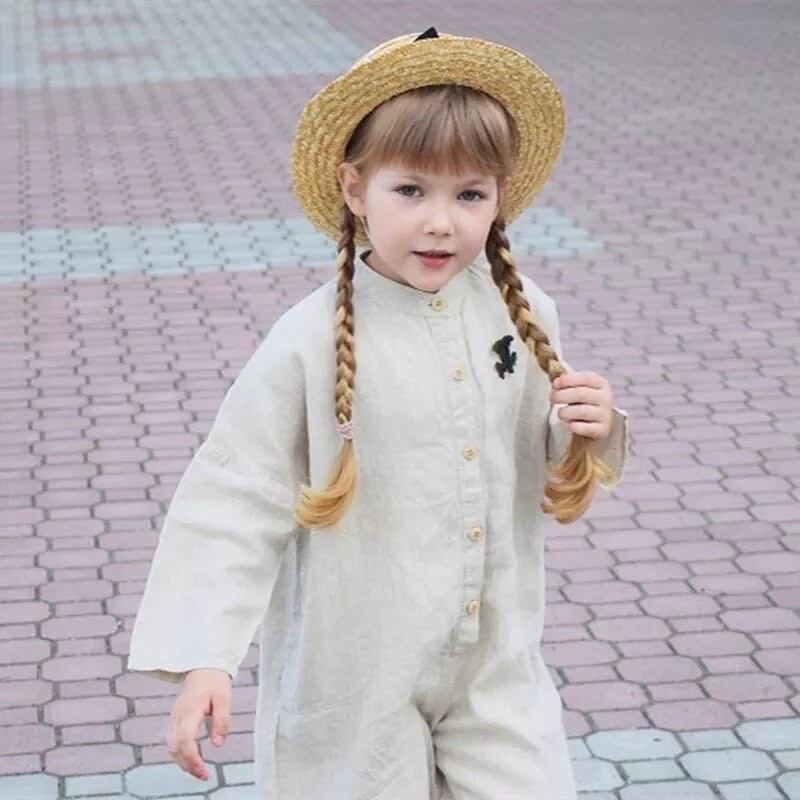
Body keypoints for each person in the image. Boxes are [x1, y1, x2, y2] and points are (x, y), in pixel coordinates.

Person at [127, 27, 629, 800]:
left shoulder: (523, 311)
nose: (441, 221)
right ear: (355, 189)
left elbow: (547, 458)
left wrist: (589, 428)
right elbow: (238, 493)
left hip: (495, 662)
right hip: (355, 672)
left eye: (470, 194)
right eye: (411, 191)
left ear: (499, 197)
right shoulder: (309, 340)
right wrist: (205, 657)